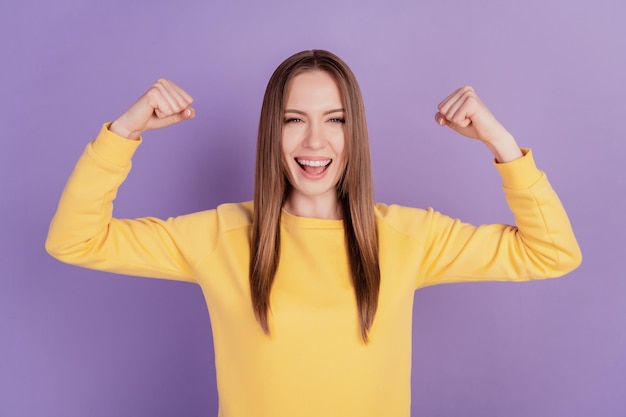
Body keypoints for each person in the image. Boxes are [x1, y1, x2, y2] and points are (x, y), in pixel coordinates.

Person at [46, 49, 582, 417]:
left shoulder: (406, 237)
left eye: (336, 119)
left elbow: (552, 252)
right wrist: (124, 132)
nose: (315, 141)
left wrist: (499, 141)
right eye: (294, 119)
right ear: (272, 131)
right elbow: (75, 239)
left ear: (355, 131)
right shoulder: (222, 236)